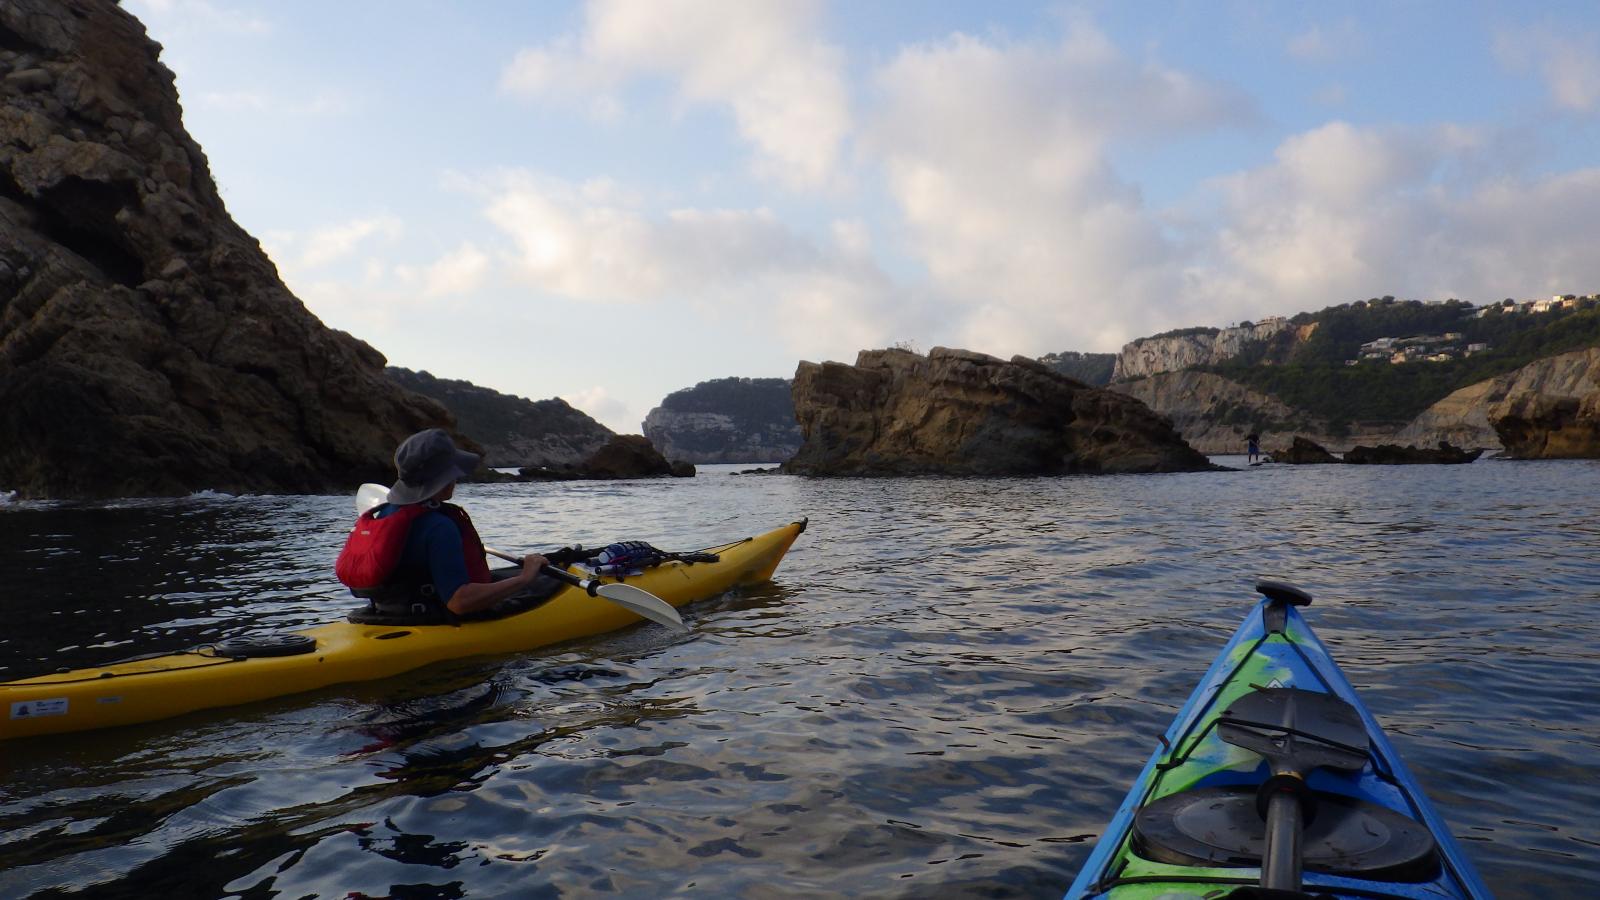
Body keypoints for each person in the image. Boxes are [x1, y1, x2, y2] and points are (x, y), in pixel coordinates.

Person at [339, 428, 547, 618]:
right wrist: (525, 578)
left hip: (388, 614)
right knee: (537, 584)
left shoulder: (384, 513)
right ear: (444, 479)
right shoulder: (439, 526)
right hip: (431, 620)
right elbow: (459, 601)